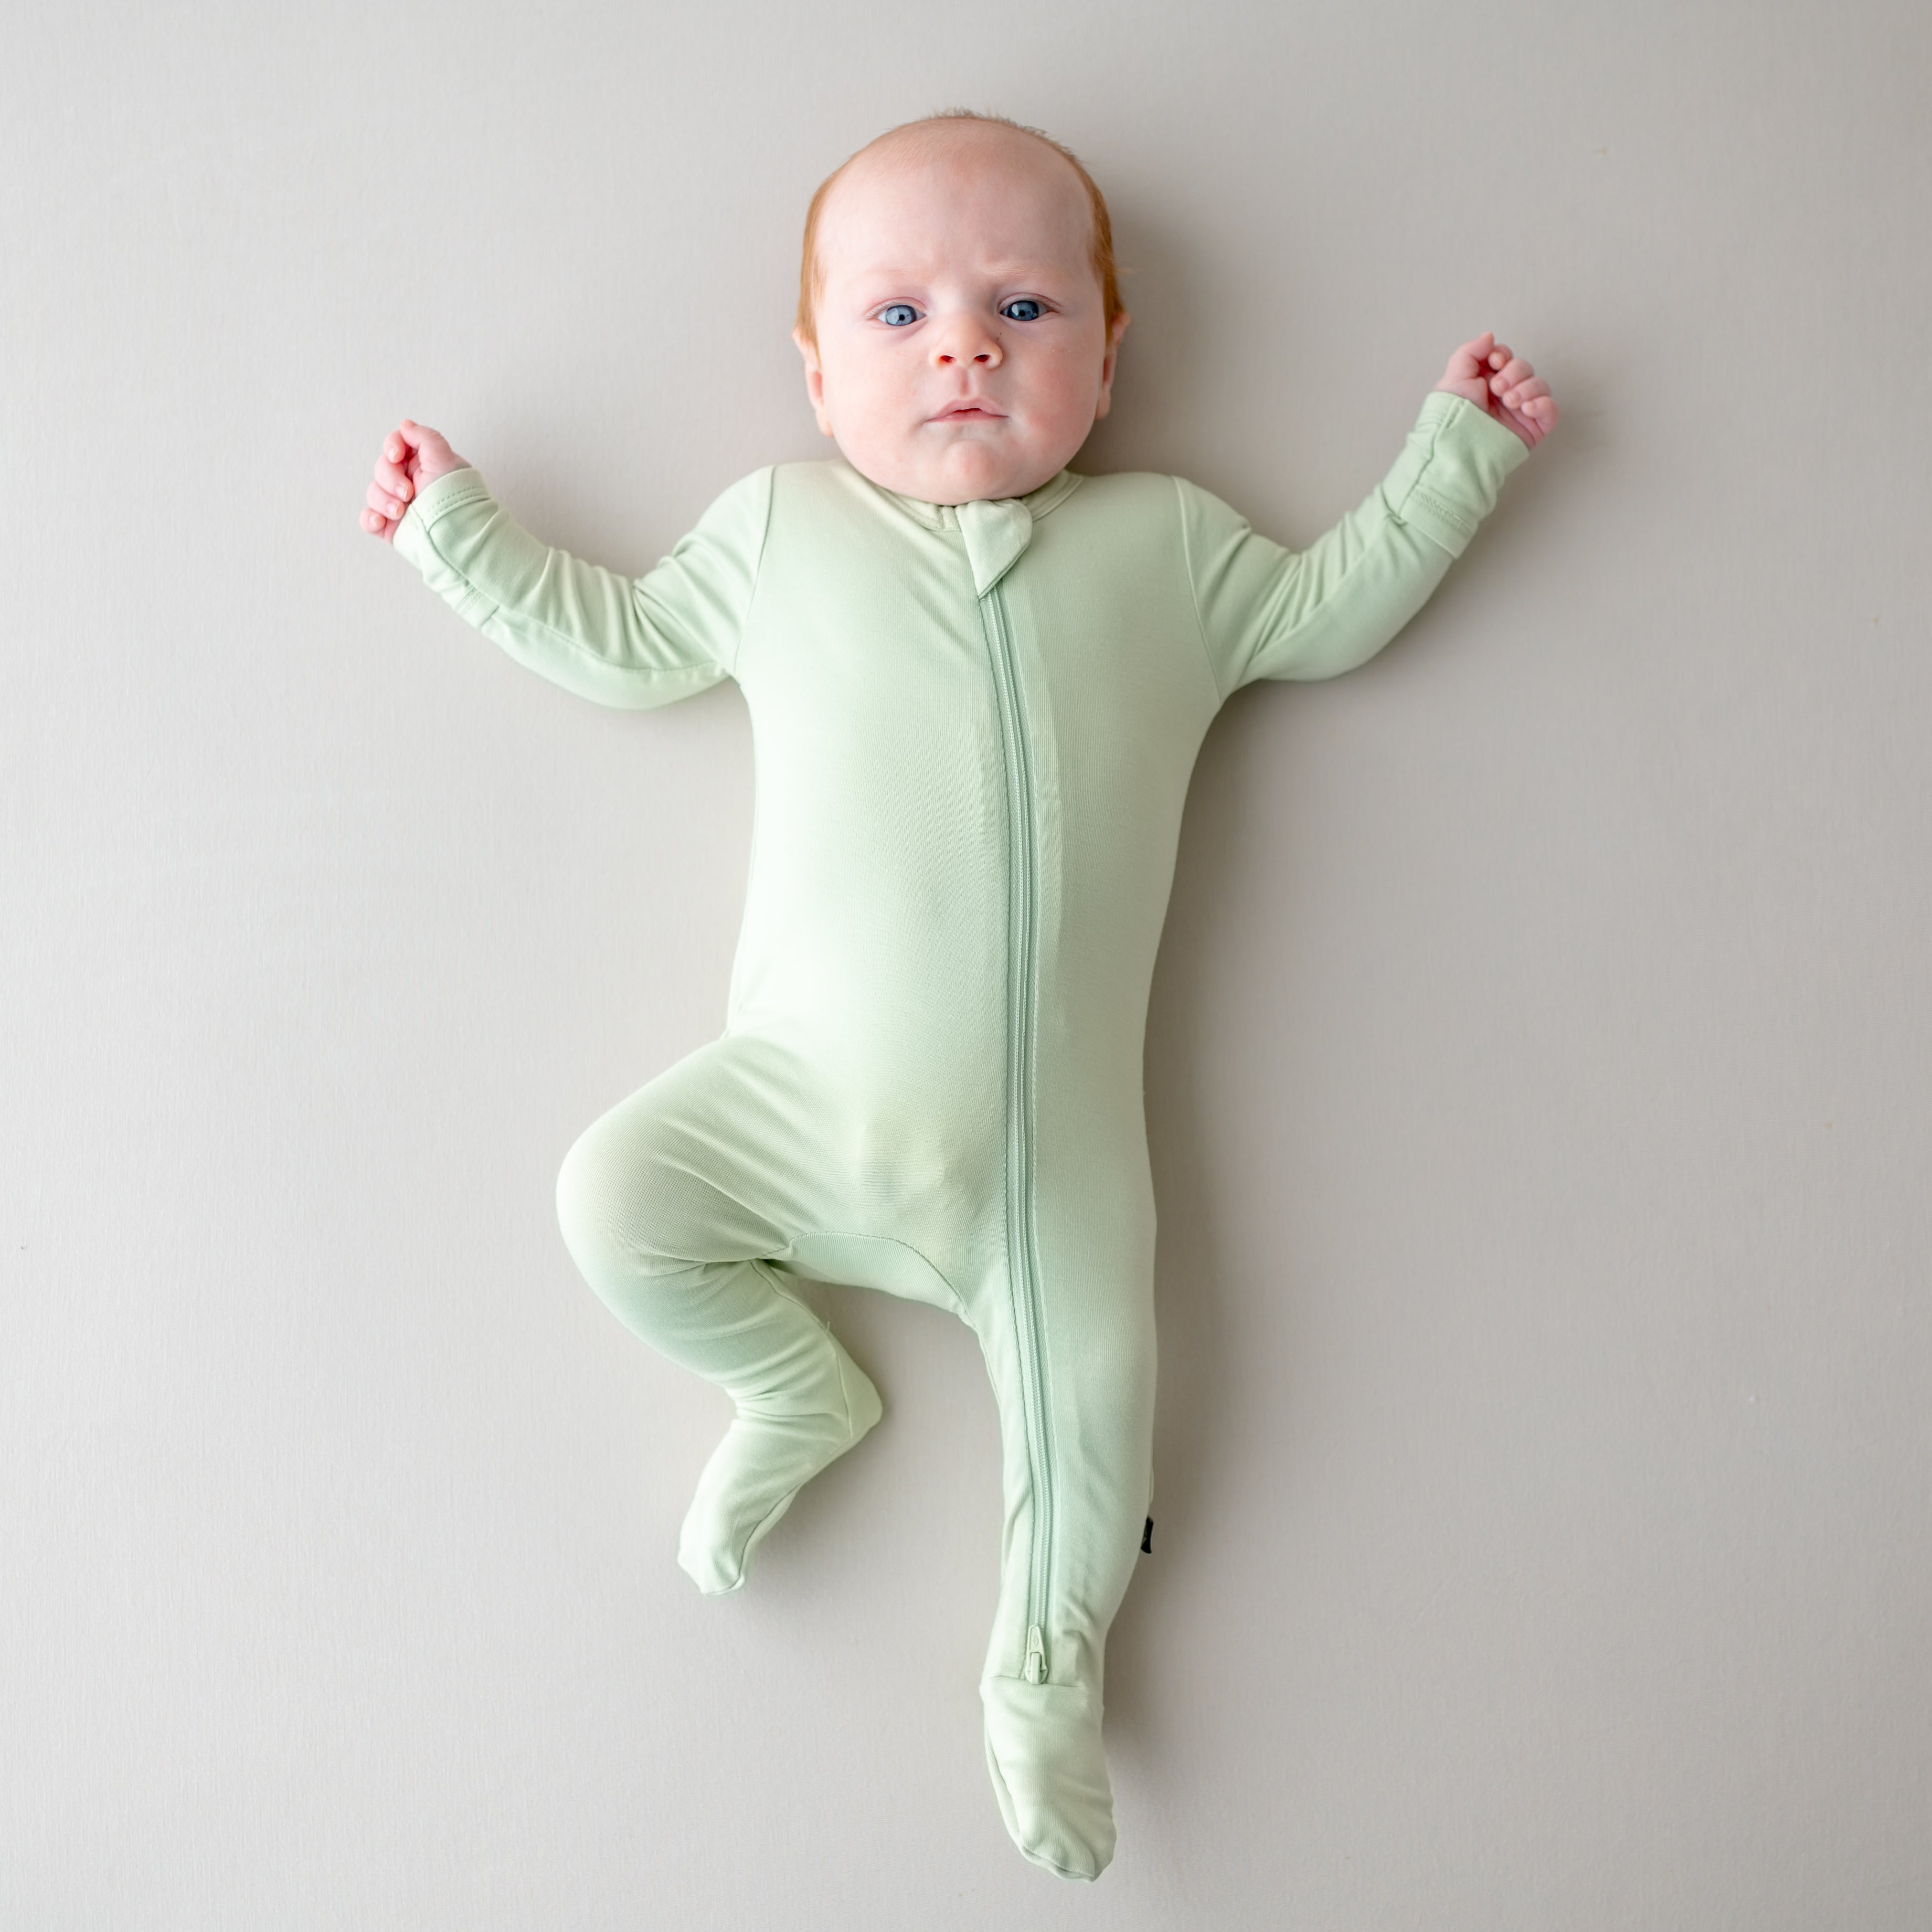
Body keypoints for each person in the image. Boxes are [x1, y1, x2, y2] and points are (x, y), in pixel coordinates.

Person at [359, 110, 1555, 1881]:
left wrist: (1452, 453)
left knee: (1097, 1429)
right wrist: (455, 535)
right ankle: (792, 1390)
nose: (967, 346)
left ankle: (1041, 1674)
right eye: (899, 316)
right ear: (817, 371)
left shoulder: (1171, 551)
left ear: (1105, 349)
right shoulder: (778, 535)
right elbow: (618, 643)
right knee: (610, 1195)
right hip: (794, 1107)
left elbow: (1328, 609)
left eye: (1021, 307)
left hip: (1052, 1172)